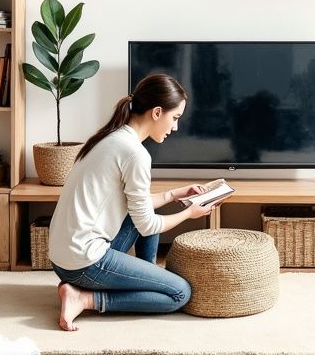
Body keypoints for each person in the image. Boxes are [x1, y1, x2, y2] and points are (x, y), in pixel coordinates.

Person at [48, 73, 214, 331]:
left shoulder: (111, 138)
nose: (176, 127)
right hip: (83, 262)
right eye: (175, 118)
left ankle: (142, 278)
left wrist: (174, 194)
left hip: (64, 259)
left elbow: (136, 206)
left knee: (144, 213)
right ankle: (85, 298)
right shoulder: (135, 153)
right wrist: (190, 213)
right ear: (157, 112)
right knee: (180, 293)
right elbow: (147, 226)